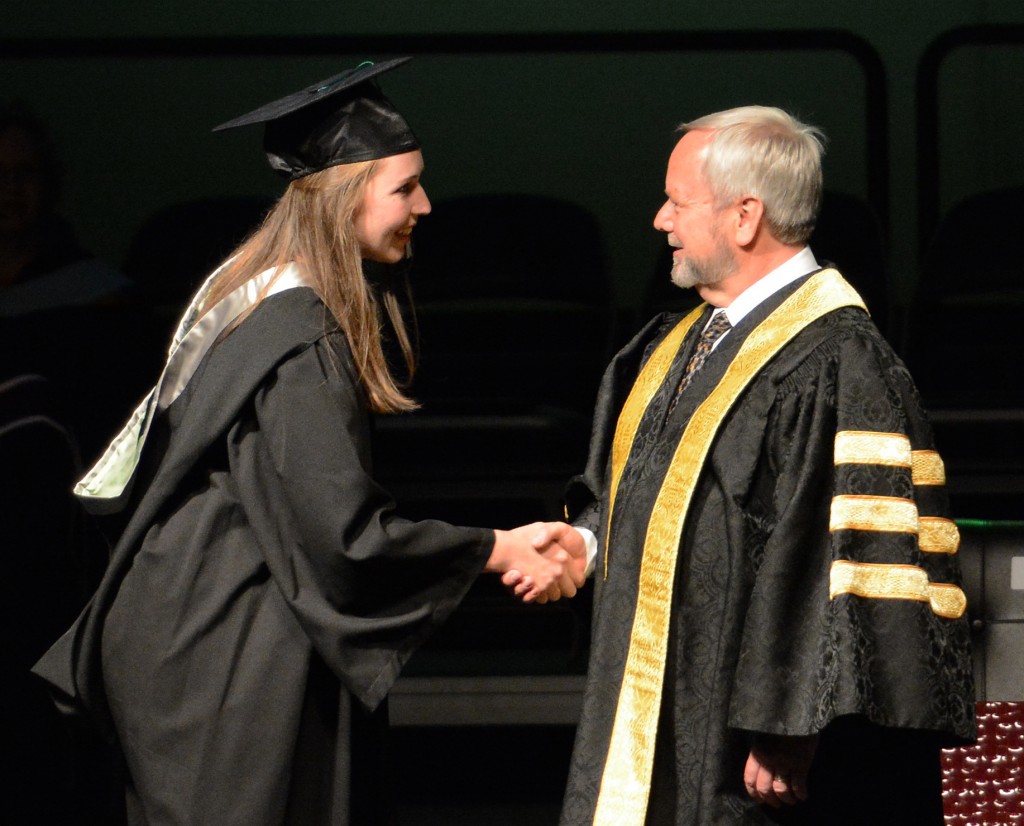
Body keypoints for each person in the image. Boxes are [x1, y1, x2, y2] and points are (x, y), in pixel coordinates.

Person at [32, 57, 586, 825]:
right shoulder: (298, 338)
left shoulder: (253, 293)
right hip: (223, 659)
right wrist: (498, 547)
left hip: (194, 637)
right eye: (403, 187)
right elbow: (344, 538)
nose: (425, 204)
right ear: (342, 197)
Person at [532, 106, 976, 825]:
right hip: (664, 706)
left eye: (677, 202)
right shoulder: (675, 345)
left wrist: (793, 722)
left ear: (744, 217)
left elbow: (855, 560)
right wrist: (586, 541)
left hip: (754, 741)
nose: (658, 220)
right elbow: (646, 492)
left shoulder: (839, 360)